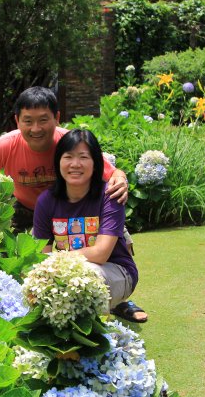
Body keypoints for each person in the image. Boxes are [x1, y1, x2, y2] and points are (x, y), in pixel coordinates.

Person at [0, 86, 128, 231]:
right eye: (28, 121)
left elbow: (111, 172)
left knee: (112, 243)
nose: (35, 129)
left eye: (43, 120)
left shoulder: (70, 142)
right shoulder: (3, 146)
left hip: (69, 205)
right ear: (17, 121)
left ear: (57, 118)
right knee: (3, 247)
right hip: (24, 207)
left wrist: (120, 180)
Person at [32, 128, 147, 323]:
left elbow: (101, 253)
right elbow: (41, 255)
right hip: (65, 273)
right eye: (68, 157)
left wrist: (57, 260)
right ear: (58, 162)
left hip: (115, 271)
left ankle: (97, 339)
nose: (75, 164)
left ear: (95, 164)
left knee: (85, 277)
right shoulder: (46, 201)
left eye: (83, 157)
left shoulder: (110, 196)